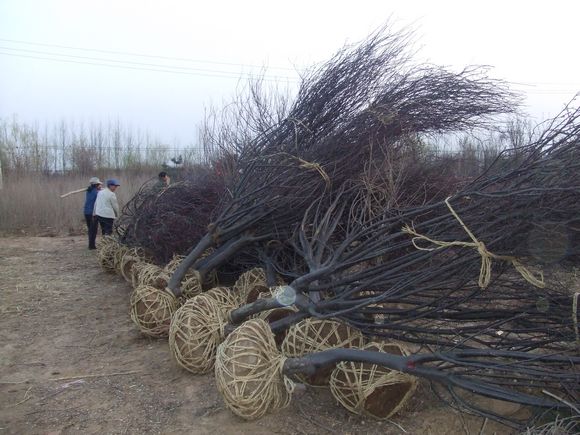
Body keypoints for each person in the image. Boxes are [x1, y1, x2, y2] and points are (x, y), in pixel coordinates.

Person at [90, 179, 121, 247]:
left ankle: (104, 244)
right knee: (108, 231)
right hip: (108, 215)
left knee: (104, 230)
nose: (116, 187)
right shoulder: (112, 194)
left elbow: (96, 203)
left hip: (99, 214)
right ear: (110, 186)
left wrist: (94, 212)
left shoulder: (100, 192)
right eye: (114, 186)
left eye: (116, 186)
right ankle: (108, 246)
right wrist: (117, 215)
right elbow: (115, 206)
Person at [84, 177, 102, 249]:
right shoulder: (97, 193)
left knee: (90, 229)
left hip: (86, 212)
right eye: (99, 184)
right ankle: (91, 246)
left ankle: (91, 244)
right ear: (97, 185)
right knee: (93, 230)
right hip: (93, 213)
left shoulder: (88, 190)